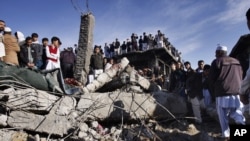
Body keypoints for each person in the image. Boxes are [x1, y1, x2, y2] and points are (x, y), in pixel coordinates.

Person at [208, 45, 245, 139]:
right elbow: (241, 75)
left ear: (219, 52)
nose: (215, 54)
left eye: (216, 53)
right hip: (236, 91)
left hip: (222, 92)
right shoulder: (236, 62)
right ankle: (241, 129)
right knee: (236, 112)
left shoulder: (217, 61)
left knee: (222, 115)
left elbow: (211, 79)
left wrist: (213, 92)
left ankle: (226, 135)